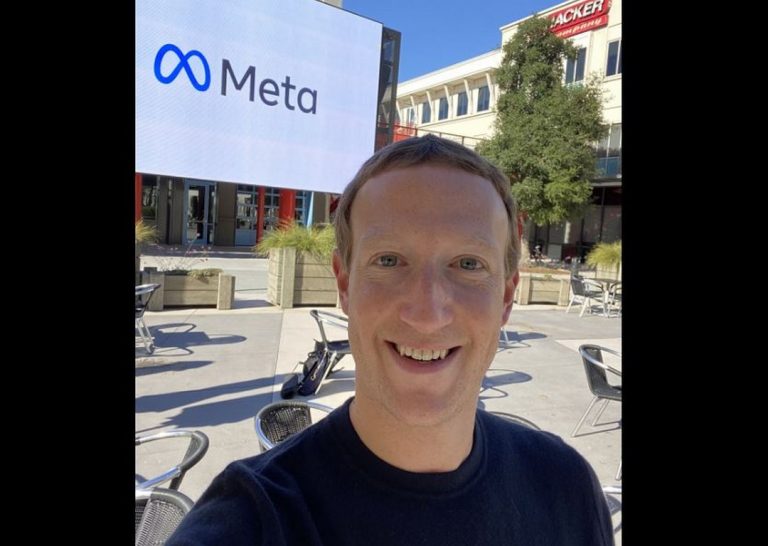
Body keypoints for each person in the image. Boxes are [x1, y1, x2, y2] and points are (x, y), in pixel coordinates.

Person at [168, 135, 614, 545]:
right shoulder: (249, 523)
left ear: (507, 297)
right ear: (344, 284)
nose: (427, 313)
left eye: (468, 264)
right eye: (388, 260)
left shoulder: (566, 488)